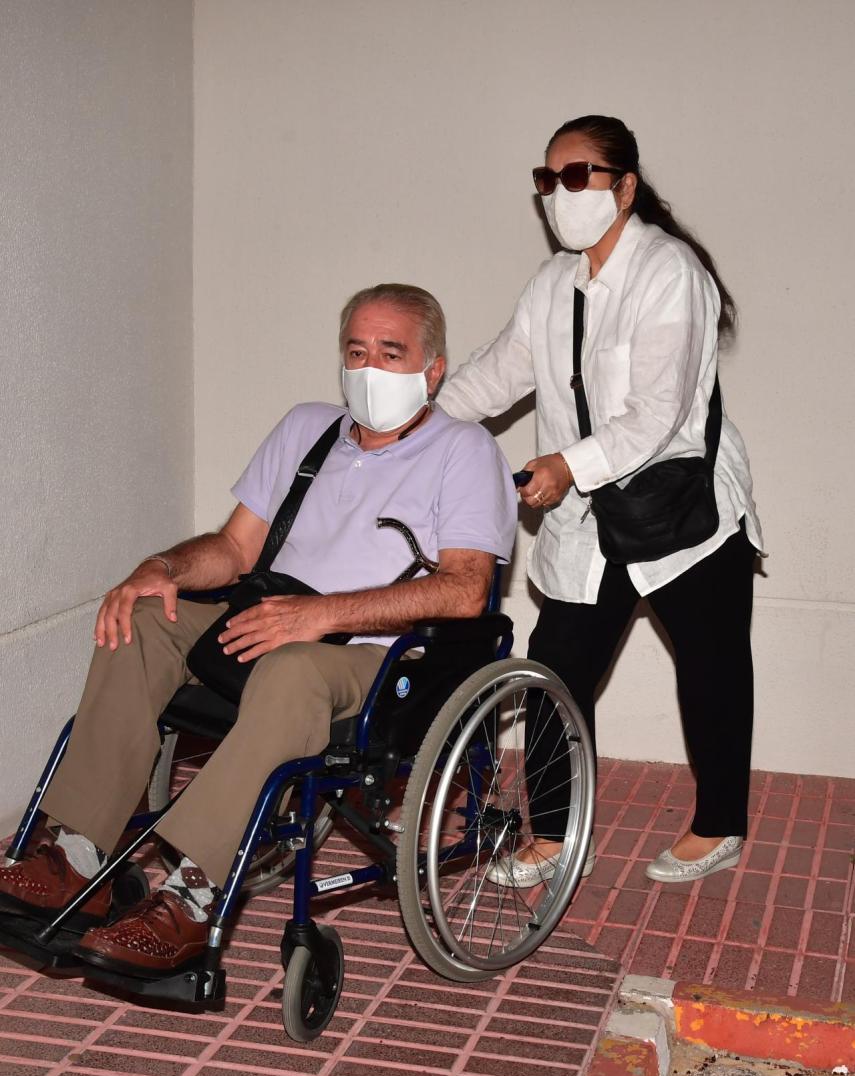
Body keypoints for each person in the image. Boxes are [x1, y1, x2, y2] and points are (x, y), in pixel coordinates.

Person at [0, 283, 517, 973]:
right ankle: (77, 854)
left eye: (391, 354)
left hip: (377, 655)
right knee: (147, 617)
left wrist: (321, 615)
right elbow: (235, 550)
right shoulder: (307, 427)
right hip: (273, 619)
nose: (369, 370)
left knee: (293, 668)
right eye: (356, 352)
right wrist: (162, 566)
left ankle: (190, 894)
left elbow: (465, 589)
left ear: (432, 369)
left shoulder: (464, 451)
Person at [438, 115, 763, 887]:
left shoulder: (669, 272)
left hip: (680, 513)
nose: (560, 193)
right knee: (556, 666)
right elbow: (495, 374)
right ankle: (552, 832)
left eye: (577, 175)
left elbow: (655, 415)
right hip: (589, 520)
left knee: (711, 667)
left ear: (623, 185)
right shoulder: (553, 284)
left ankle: (719, 825)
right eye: (548, 179)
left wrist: (564, 464)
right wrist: (412, 430)